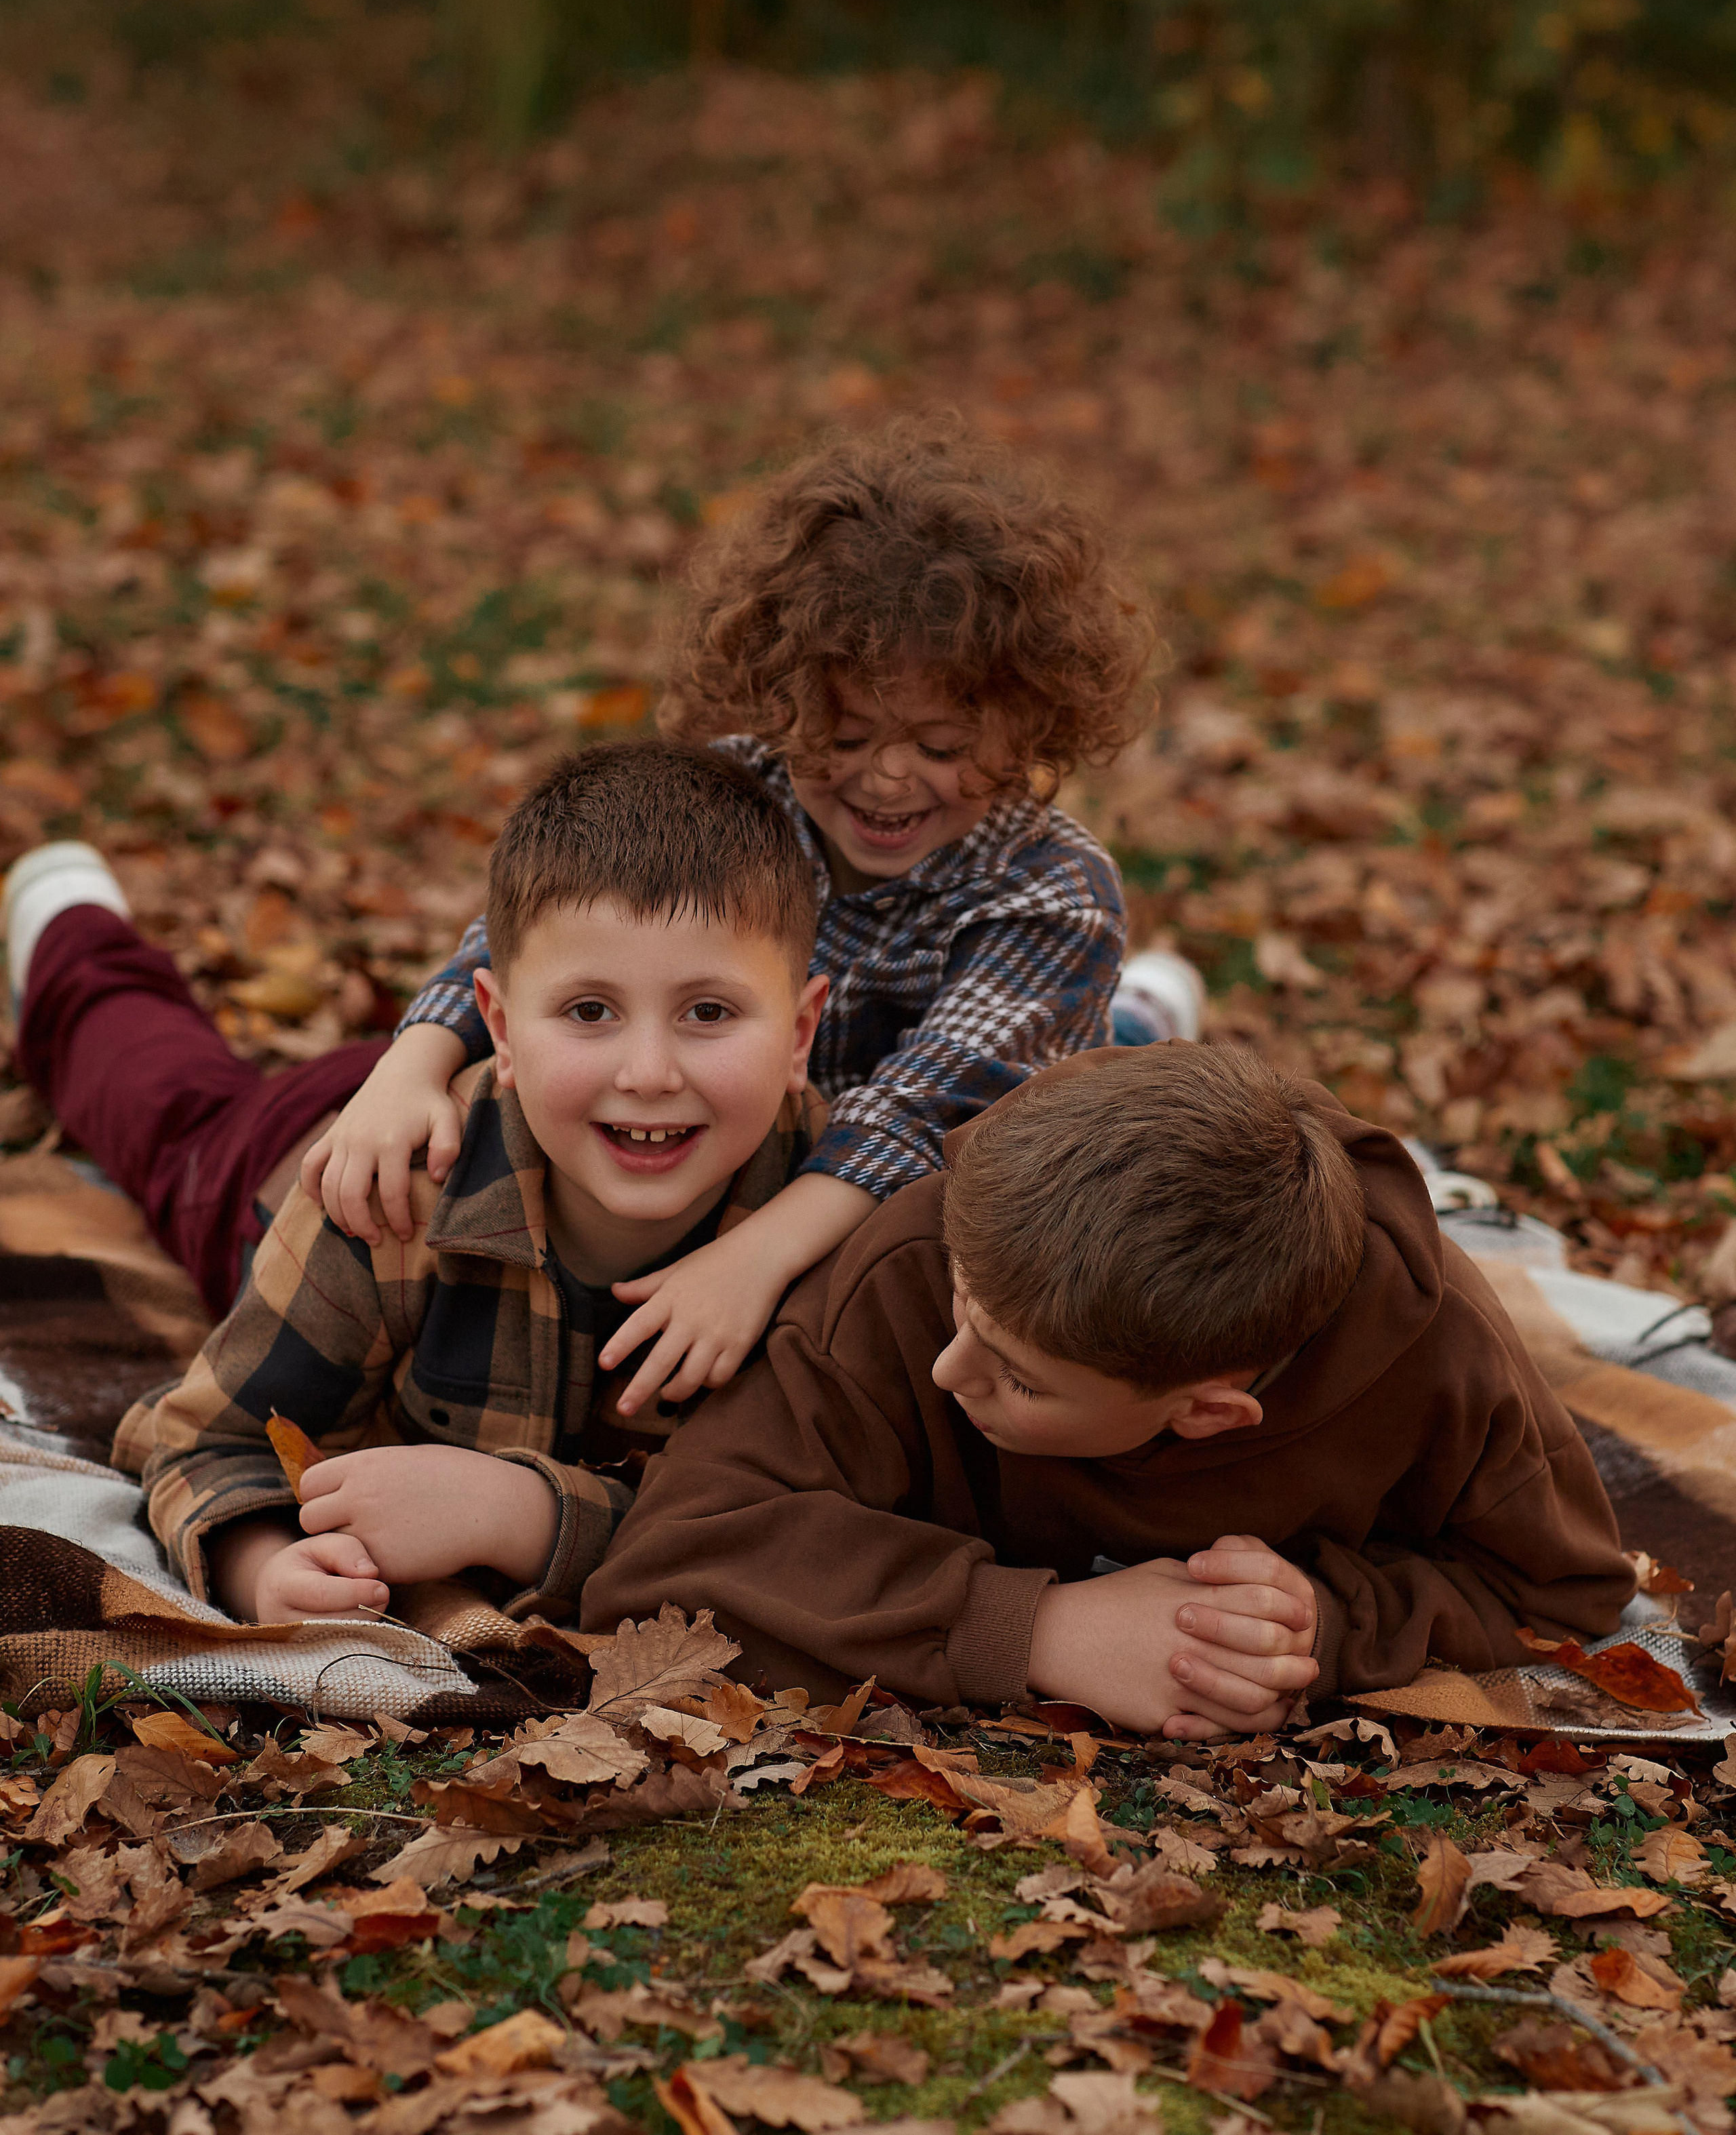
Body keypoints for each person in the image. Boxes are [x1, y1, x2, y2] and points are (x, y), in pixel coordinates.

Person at [300, 419, 1188, 1422]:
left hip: (891, 1158)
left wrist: (754, 1258)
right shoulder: (741, 789)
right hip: (729, 1118)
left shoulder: (1050, 891)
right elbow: (546, 925)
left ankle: (1137, 1023)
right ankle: (1140, 1015)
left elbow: (918, 1113)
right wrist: (410, 1058)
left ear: (1032, 721)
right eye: (848, 734)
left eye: (942, 745)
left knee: (1091, 1076)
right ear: (785, 700)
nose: (891, 776)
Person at [580, 1042, 1636, 1740]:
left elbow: (1560, 1593)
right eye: (964, 1314)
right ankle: (1143, 1020)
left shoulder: (1441, 1351)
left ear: (1206, 1411)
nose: (952, 1370)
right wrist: (1038, 1631)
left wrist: (1312, 1626)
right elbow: (669, 1559)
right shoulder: (924, 1249)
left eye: (1020, 1377)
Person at [107, 742, 829, 1624]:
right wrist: (265, 1565)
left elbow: (810, 1521)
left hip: (517, 1116)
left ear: (800, 1034)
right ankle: (68, 919)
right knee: (145, 1092)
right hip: (295, 1156)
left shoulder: (829, 1221)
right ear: (497, 1024)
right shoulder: (388, 1204)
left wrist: (518, 1513)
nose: (649, 1072)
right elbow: (200, 1440)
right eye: (589, 1010)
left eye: (708, 1012)